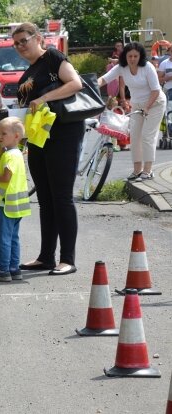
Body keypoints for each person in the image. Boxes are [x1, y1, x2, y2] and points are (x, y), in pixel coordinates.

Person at [14, 22, 84, 276]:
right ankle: (46, 257)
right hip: (38, 138)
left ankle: (68, 258)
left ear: (38, 38)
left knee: (62, 197)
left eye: (24, 40)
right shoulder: (30, 70)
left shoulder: (53, 57)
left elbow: (75, 83)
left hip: (63, 133)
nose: (20, 46)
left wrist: (44, 98)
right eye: (17, 43)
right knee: (45, 199)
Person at [98, 42, 166, 181]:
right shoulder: (121, 68)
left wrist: (147, 107)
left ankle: (148, 171)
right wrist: (89, 86)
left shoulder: (148, 67)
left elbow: (155, 90)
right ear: (125, 57)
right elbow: (104, 79)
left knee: (148, 136)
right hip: (137, 105)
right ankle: (137, 171)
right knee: (134, 137)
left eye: (136, 56)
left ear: (140, 56)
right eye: (130, 56)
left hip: (155, 104)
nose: (133, 59)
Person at [0, 117, 31, 282]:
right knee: (13, 237)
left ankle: (4, 270)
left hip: (6, 204)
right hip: (17, 205)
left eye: (4, 133)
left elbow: (6, 177)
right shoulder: (17, 153)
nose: (0, 137)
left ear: (16, 136)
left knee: (3, 237)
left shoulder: (9, 156)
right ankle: (14, 268)